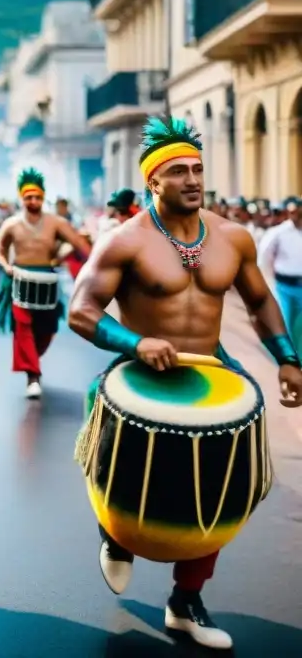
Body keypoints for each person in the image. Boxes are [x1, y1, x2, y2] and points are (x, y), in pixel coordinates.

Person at [68, 116, 302, 650]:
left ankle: (186, 602)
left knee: (223, 482)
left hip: (211, 369)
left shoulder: (233, 237)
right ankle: (115, 533)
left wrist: (288, 358)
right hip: (139, 371)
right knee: (106, 431)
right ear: (153, 182)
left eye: (197, 169)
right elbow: (81, 311)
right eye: (178, 171)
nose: (192, 179)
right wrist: (135, 343)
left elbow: (261, 299)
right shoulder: (125, 241)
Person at [0, 168, 90, 398]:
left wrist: (94, 261)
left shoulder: (55, 223)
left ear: (43, 198)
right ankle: (32, 376)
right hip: (19, 280)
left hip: (47, 281)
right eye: (28, 197)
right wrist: (6, 265)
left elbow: (77, 242)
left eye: (37, 197)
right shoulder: (12, 224)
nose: (33, 201)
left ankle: (32, 360)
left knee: (47, 330)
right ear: (21, 198)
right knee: (23, 327)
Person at [258, 198, 302, 351]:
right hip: (285, 287)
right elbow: (265, 259)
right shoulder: (278, 233)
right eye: (292, 211)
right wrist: (270, 283)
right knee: (286, 324)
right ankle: (289, 358)